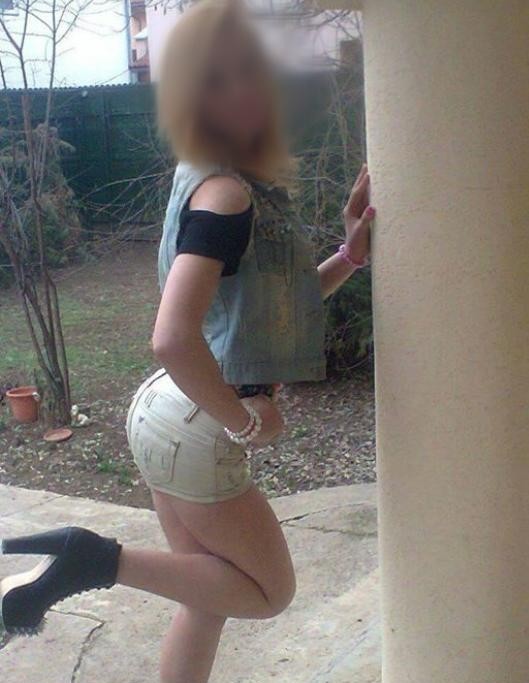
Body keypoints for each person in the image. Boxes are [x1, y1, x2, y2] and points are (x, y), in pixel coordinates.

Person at [0, 1, 374, 681]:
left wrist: (349, 256)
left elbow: (270, 310)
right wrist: (245, 421)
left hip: (169, 413)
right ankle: (93, 559)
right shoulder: (226, 194)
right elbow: (171, 337)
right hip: (197, 418)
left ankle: (92, 561)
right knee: (267, 591)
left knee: (205, 599)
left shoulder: (216, 180)